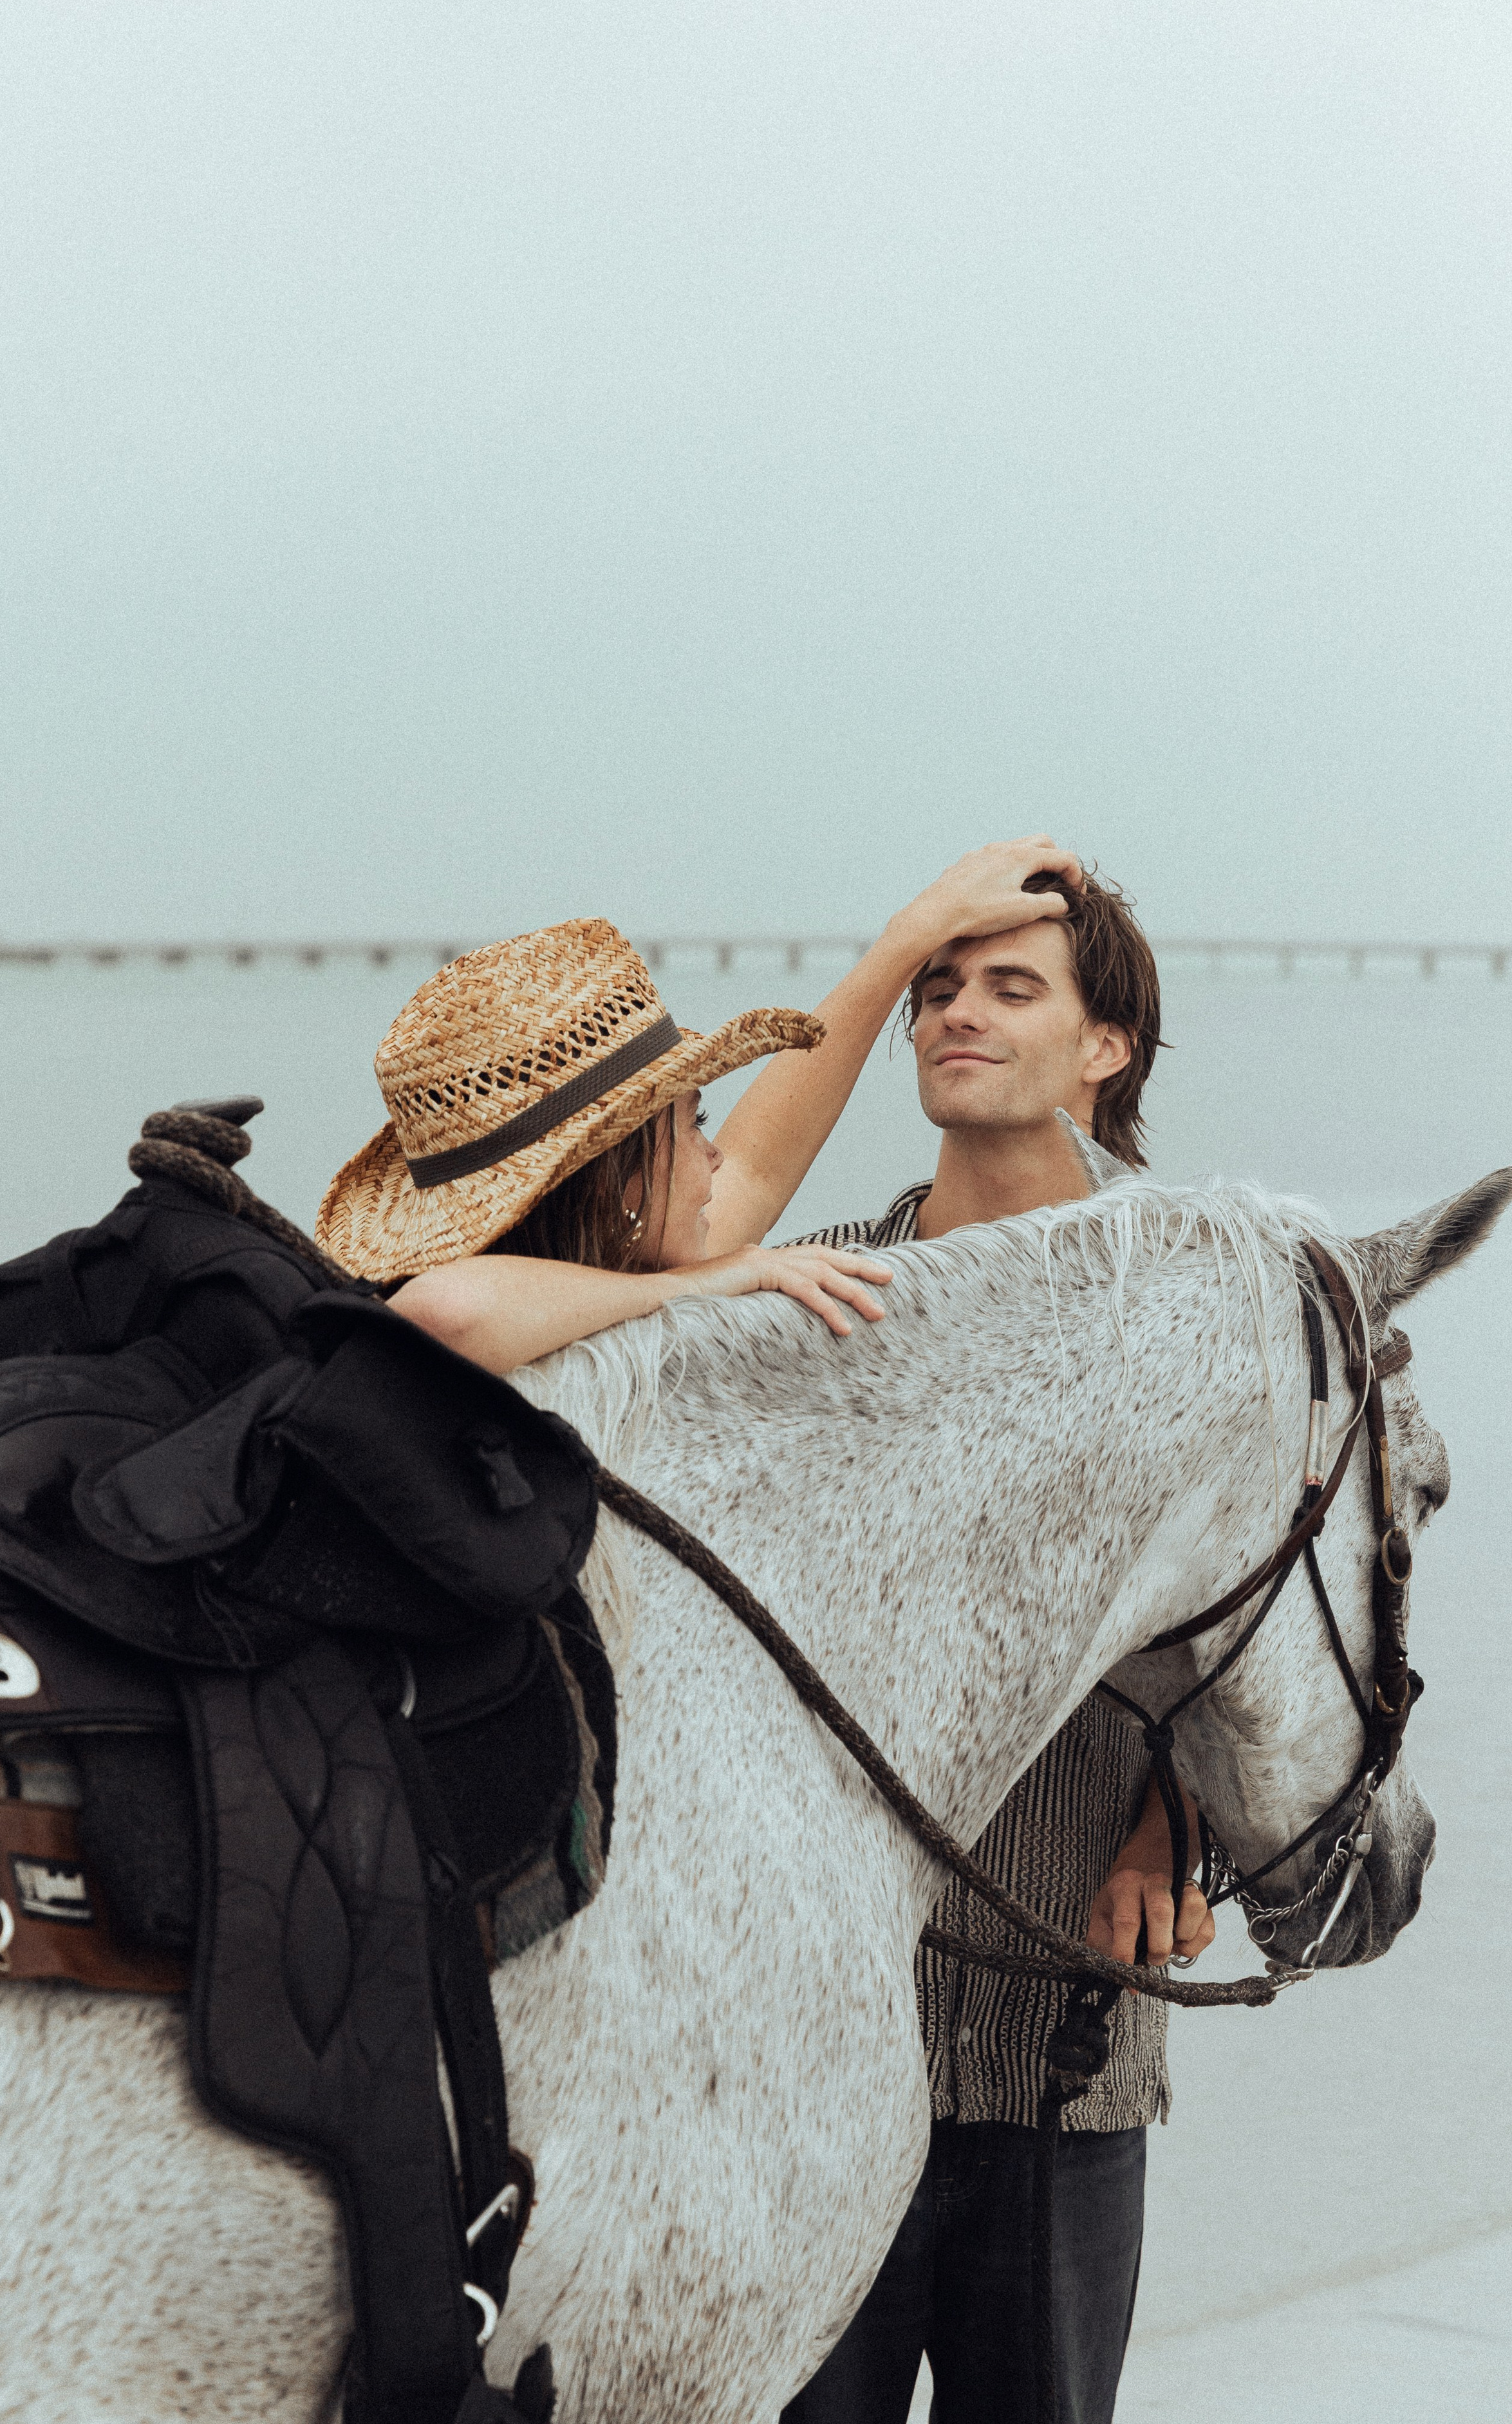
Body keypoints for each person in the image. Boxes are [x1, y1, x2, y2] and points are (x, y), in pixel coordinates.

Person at [778, 869, 1216, 2424]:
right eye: (936, 984)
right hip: (808, 2047)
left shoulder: (1189, 1304)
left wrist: (1176, 1827)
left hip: (1062, 2032)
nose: (954, 1008)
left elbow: (1280, 1623)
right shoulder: (815, 1294)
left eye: (1009, 986)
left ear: (1107, 1044)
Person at [313, 837, 1083, 1364]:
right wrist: (711, 1282)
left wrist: (911, 938)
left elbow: (761, 1162)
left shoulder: (609, 1271)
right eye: (693, 1123)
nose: (718, 1154)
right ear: (612, 1178)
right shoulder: (500, 1326)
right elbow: (445, 1312)